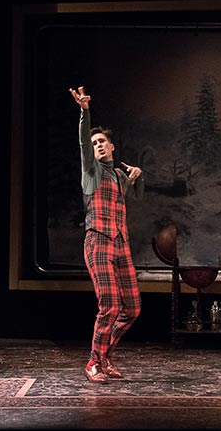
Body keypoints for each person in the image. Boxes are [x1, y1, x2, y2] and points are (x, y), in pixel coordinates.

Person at [69, 86, 144, 383]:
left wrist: (137, 178)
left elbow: (136, 198)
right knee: (110, 306)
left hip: (120, 243)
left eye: (102, 141)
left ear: (112, 146)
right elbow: (83, 144)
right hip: (98, 240)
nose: (98, 145)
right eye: (94, 143)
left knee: (132, 308)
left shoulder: (118, 176)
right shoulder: (92, 171)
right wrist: (84, 112)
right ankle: (93, 362)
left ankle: (105, 356)